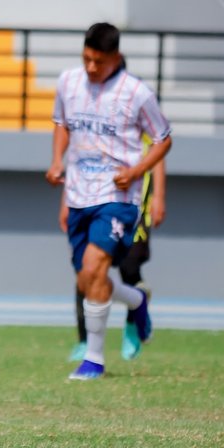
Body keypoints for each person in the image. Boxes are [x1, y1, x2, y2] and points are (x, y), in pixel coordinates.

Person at [46, 23, 172, 381]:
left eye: (98, 62)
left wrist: (136, 173)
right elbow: (61, 123)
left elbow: (163, 139)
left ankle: (94, 360)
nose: (90, 67)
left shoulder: (137, 93)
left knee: (95, 266)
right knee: (88, 277)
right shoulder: (68, 82)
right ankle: (135, 300)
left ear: (115, 58)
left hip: (118, 197)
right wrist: (57, 161)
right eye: (86, 59)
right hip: (78, 195)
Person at [64, 138, 165, 363]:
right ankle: (84, 341)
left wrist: (158, 197)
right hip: (91, 204)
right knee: (86, 272)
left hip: (132, 207)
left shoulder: (138, 112)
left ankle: (132, 324)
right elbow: (77, 157)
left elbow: (160, 150)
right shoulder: (90, 116)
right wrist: (66, 201)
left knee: (129, 269)